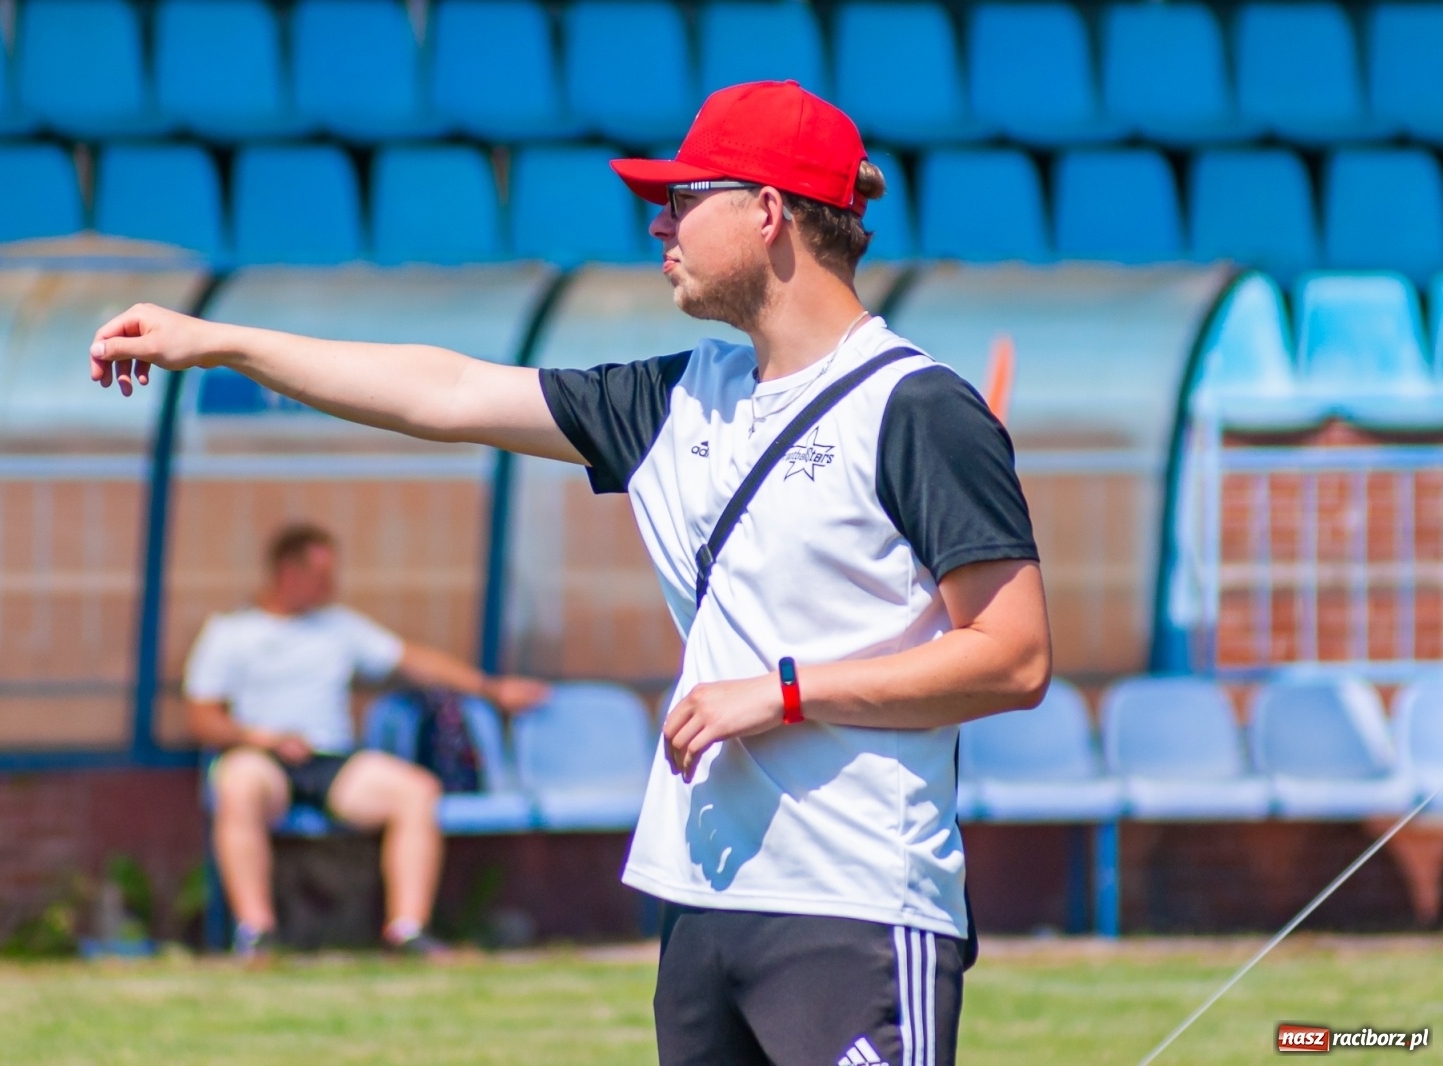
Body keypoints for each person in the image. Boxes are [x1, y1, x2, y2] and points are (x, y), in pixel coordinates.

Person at [93, 81, 1050, 1064]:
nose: (657, 223)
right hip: (702, 895)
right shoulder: (678, 397)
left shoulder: (918, 406)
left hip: (856, 902)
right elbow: (448, 391)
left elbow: (1012, 659)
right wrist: (220, 343)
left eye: (681, 200)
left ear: (766, 211)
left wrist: (786, 692)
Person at [184, 522, 548, 958]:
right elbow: (203, 720)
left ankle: (407, 932)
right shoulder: (230, 633)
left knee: (417, 791)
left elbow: (411, 659)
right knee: (237, 786)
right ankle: (257, 933)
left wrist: (490, 688)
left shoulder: (339, 627)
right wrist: (262, 738)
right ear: (287, 571)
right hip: (262, 759)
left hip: (332, 759)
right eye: (321, 576)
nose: (331, 586)